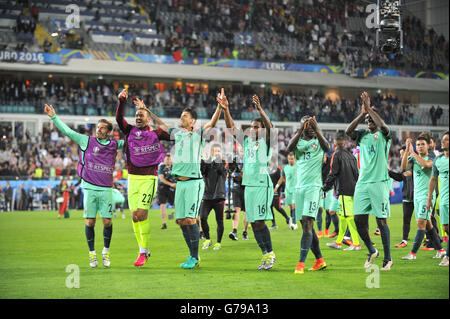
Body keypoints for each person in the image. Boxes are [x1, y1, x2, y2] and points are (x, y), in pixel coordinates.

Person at [45, 103, 124, 268]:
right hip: (89, 187)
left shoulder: (114, 145)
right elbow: (68, 132)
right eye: (98, 127)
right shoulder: (86, 141)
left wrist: (150, 134)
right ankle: (92, 254)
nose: (99, 129)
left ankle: (106, 251)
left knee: (107, 222)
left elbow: (131, 142)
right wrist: (54, 117)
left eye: (102, 128)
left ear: (109, 132)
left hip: (106, 188)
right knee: (90, 222)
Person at [218, 88, 277, 270]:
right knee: (253, 222)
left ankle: (270, 254)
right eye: (252, 127)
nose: (253, 129)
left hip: (261, 184)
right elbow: (231, 128)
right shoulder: (248, 141)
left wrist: (260, 110)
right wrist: (226, 109)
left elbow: (270, 127)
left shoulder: (266, 141)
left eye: (256, 127)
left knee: (259, 221)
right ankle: (265, 255)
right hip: (249, 186)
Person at [116, 89, 169, 267]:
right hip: (132, 178)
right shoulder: (129, 130)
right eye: (137, 115)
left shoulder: (155, 133)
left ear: (147, 119)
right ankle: (142, 249)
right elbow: (118, 119)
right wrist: (121, 102)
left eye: (142, 115)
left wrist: (150, 111)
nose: (138, 117)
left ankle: (143, 252)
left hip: (148, 179)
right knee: (134, 217)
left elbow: (169, 131)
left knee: (141, 214)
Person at [170, 97, 223, 269]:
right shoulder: (178, 135)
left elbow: (212, 123)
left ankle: (194, 256)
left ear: (192, 120)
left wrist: (219, 107)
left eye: (185, 116)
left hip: (194, 182)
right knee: (181, 220)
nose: (181, 118)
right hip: (180, 183)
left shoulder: (198, 133)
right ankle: (192, 255)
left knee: (190, 219)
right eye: (181, 115)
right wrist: (147, 111)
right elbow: (161, 126)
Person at [345, 91, 393, 271]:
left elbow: (382, 125)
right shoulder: (362, 136)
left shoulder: (384, 135)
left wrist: (369, 106)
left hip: (379, 182)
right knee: (358, 220)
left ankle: (387, 259)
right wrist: (363, 113)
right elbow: (348, 131)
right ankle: (372, 250)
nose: (369, 122)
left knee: (381, 222)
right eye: (368, 120)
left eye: (372, 119)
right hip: (363, 183)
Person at [287, 115, 330, 274]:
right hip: (299, 188)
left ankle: (300, 264)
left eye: (312, 126)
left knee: (307, 223)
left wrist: (316, 128)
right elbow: (289, 148)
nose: (310, 128)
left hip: (314, 187)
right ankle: (320, 260)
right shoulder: (298, 142)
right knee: (307, 226)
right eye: (308, 126)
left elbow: (327, 148)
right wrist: (300, 129)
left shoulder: (319, 141)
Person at [401, 134, 446, 260]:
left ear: (428, 146)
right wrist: (407, 149)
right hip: (416, 196)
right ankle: (441, 250)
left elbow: (426, 165)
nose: (420, 147)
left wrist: (413, 153)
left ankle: (413, 253)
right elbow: (403, 167)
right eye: (418, 144)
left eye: (422, 144)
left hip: (427, 196)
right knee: (428, 225)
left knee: (421, 223)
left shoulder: (432, 157)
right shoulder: (414, 158)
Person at [323, 135, 361, 251]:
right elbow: (356, 173)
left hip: (344, 189)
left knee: (348, 217)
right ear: (345, 144)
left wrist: (325, 187)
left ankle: (356, 243)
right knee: (343, 217)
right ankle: (338, 242)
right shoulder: (351, 155)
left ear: (334, 145)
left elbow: (333, 173)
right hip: (354, 189)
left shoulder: (336, 155)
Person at [426, 131, 449, 266]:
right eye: (443, 139)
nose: (443, 141)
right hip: (444, 198)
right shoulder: (438, 160)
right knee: (446, 228)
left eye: (446, 140)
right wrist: (429, 198)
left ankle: (447, 255)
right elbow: (433, 179)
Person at [200, 143, 227, 251]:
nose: (217, 153)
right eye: (215, 151)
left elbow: (219, 170)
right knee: (202, 218)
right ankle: (207, 239)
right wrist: (204, 159)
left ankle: (218, 242)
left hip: (219, 196)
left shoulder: (223, 162)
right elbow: (202, 171)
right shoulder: (207, 162)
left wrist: (215, 159)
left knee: (219, 220)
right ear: (211, 152)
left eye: (218, 151)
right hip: (207, 196)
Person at [390, 145, 414, 248]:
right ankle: (404, 240)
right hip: (407, 196)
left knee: (426, 220)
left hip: (418, 196)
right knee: (406, 219)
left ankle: (432, 240)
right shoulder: (404, 167)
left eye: (402, 154)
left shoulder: (416, 163)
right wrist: (388, 172)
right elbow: (400, 177)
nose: (400, 156)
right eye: (400, 155)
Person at [228, 147, 250, 241]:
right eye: (241, 151)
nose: (242, 153)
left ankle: (245, 232)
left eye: (244, 151)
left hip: (247, 188)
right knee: (236, 210)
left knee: (246, 212)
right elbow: (229, 173)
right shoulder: (234, 161)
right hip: (237, 188)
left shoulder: (250, 161)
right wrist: (235, 175)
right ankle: (234, 231)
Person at [274, 152, 298, 230]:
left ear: (294, 158)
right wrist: (276, 186)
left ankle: (294, 223)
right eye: (289, 159)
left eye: (292, 159)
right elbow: (281, 178)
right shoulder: (285, 168)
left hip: (296, 189)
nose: (290, 160)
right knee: (291, 206)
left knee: (294, 205)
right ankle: (292, 220)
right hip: (288, 190)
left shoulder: (298, 166)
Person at [269, 159, 292, 229]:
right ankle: (274, 224)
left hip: (276, 190)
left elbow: (282, 180)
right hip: (269, 191)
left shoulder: (278, 169)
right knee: (270, 207)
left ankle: (287, 218)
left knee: (277, 207)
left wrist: (282, 190)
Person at [157, 154, 176, 229]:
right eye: (166, 159)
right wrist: (171, 184)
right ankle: (164, 223)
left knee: (176, 205)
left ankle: (178, 218)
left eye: (169, 159)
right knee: (163, 205)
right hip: (163, 188)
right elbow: (161, 178)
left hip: (172, 187)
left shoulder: (175, 166)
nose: (168, 161)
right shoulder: (161, 166)